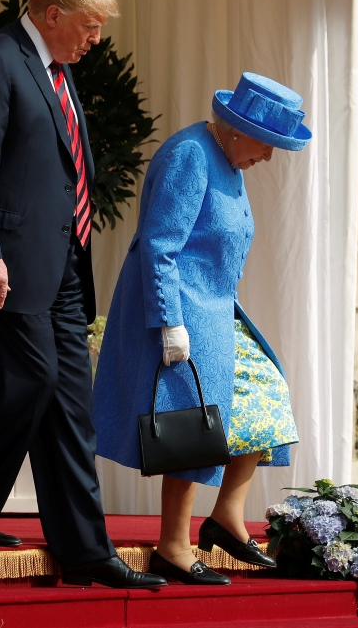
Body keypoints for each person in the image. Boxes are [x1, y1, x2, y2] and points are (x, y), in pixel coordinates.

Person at [0, 0, 164, 590]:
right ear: (52, 13)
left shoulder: (58, 72)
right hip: (1, 262)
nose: (95, 40)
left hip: (59, 264)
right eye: (89, 26)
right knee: (31, 381)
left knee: (67, 401)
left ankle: (83, 549)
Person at [93, 72, 308, 585]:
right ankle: (173, 543)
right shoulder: (190, 154)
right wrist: (168, 322)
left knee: (265, 399)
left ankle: (226, 517)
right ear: (237, 129)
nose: (271, 157)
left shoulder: (229, 160)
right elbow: (160, 245)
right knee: (192, 423)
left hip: (216, 312)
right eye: (269, 144)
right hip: (181, 311)